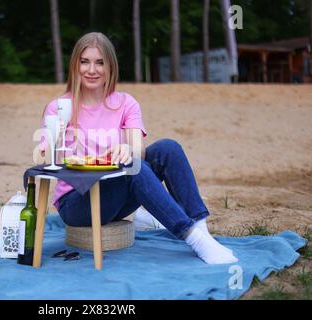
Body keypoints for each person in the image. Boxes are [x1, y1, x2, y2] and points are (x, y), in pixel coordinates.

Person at [39, 32, 237, 265]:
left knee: (167, 149)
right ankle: (192, 238)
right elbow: (48, 158)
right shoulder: (59, 107)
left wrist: (127, 148)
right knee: (135, 169)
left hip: (116, 192)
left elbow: (137, 149)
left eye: (99, 62)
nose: (91, 69)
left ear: (110, 66)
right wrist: (57, 139)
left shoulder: (125, 103)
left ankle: (201, 229)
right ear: (75, 64)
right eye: (85, 61)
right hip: (76, 201)